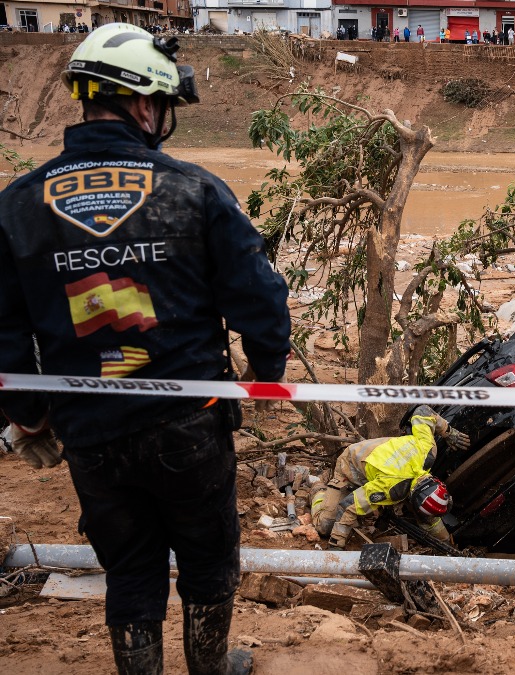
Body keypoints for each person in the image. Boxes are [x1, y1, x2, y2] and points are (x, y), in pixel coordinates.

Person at [0, 24, 291, 675]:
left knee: (130, 568)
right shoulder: (196, 191)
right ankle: (210, 667)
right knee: (209, 559)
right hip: (187, 422)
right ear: (141, 103)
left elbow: (5, 331)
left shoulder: (18, 205)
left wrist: (29, 410)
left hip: (90, 428)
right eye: (162, 105)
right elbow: (260, 297)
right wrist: (264, 370)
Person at [309, 405, 469, 548]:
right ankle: (317, 489)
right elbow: (348, 505)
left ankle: (445, 542)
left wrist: (449, 432)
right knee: (325, 526)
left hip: (379, 462)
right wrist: (336, 544)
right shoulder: (390, 487)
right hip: (350, 466)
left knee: (426, 516)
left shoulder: (428, 450)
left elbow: (422, 411)